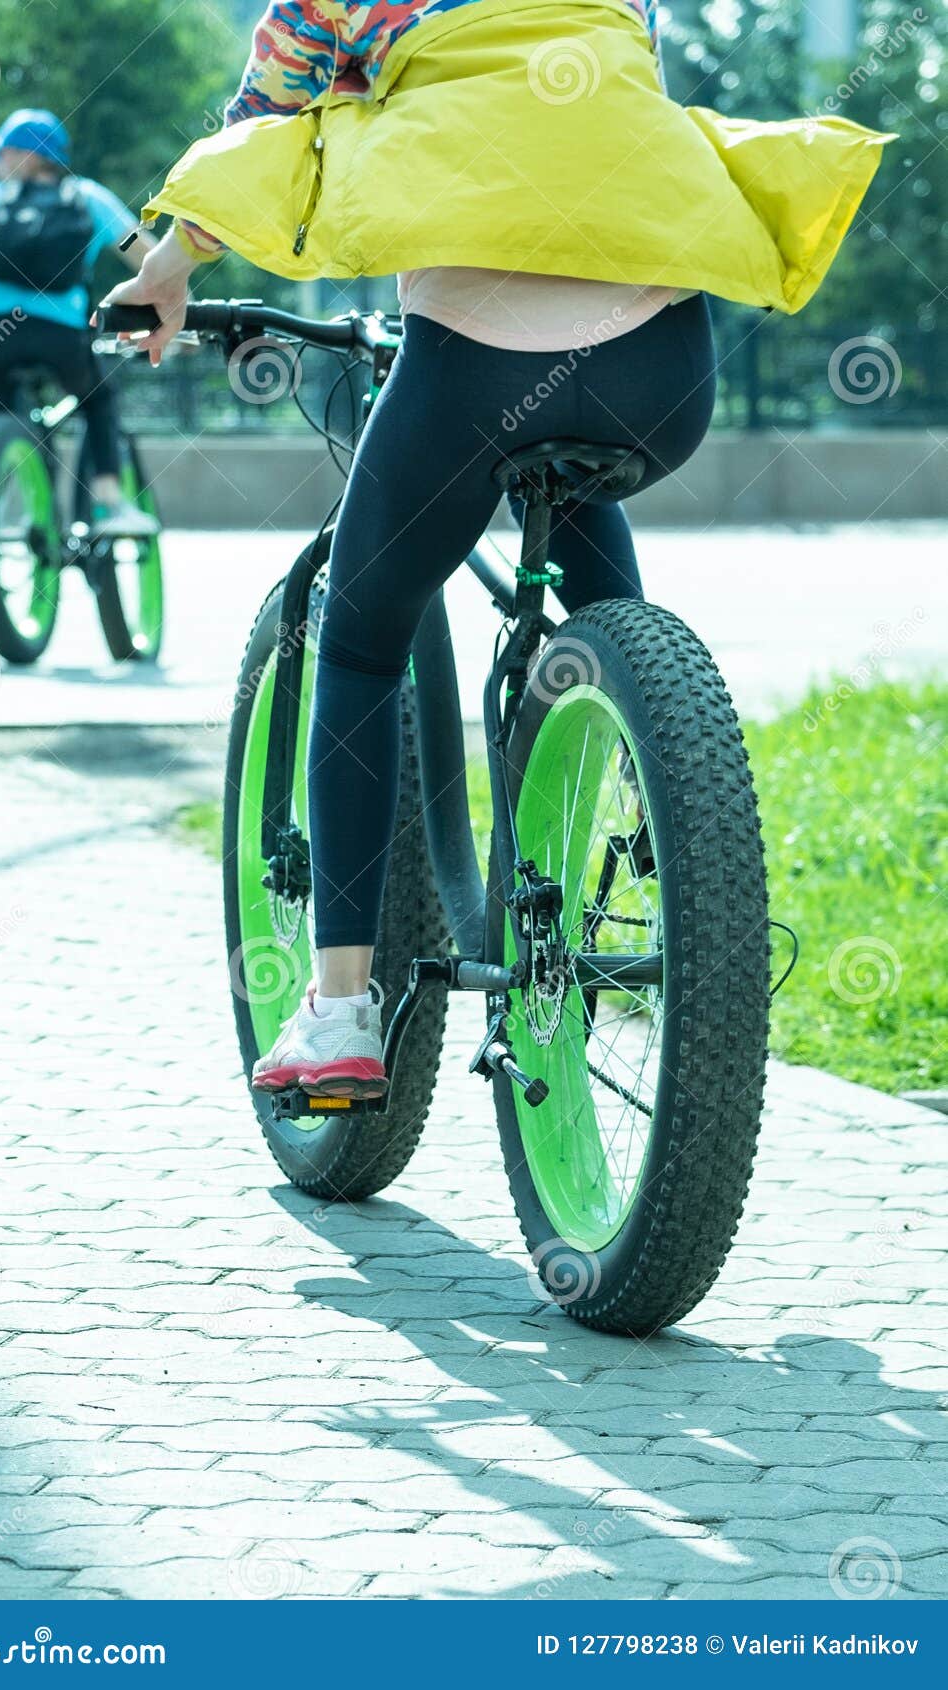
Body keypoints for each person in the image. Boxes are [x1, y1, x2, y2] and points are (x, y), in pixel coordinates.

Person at [103, 0, 890, 1096]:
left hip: (471, 364)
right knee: (572, 505)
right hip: (666, 372)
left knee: (365, 640)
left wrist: (164, 266)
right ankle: (678, 856)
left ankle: (338, 1014)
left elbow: (261, 124)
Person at [0, 108, 158, 654]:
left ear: (30, 155)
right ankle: (112, 502)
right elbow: (149, 256)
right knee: (98, 399)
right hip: (62, 335)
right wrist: (168, 315)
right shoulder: (89, 196)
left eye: (4, 151)